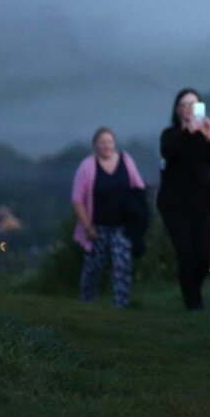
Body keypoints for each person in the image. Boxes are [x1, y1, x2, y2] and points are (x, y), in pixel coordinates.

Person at [157, 87, 210, 311]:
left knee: (203, 258)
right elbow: (169, 152)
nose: (187, 109)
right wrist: (187, 131)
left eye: (192, 105)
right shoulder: (170, 134)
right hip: (174, 205)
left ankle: (195, 293)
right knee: (186, 254)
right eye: (183, 105)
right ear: (177, 110)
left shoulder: (207, 132)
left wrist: (208, 135)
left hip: (203, 204)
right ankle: (193, 304)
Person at [71, 127, 146, 308]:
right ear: (95, 145)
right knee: (94, 266)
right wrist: (87, 227)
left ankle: (121, 305)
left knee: (122, 264)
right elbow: (77, 199)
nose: (106, 146)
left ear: (114, 143)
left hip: (122, 226)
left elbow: (139, 187)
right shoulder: (87, 166)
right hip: (97, 227)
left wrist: (139, 215)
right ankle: (87, 302)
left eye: (109, 142)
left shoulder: (126, 161)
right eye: (102, 142)